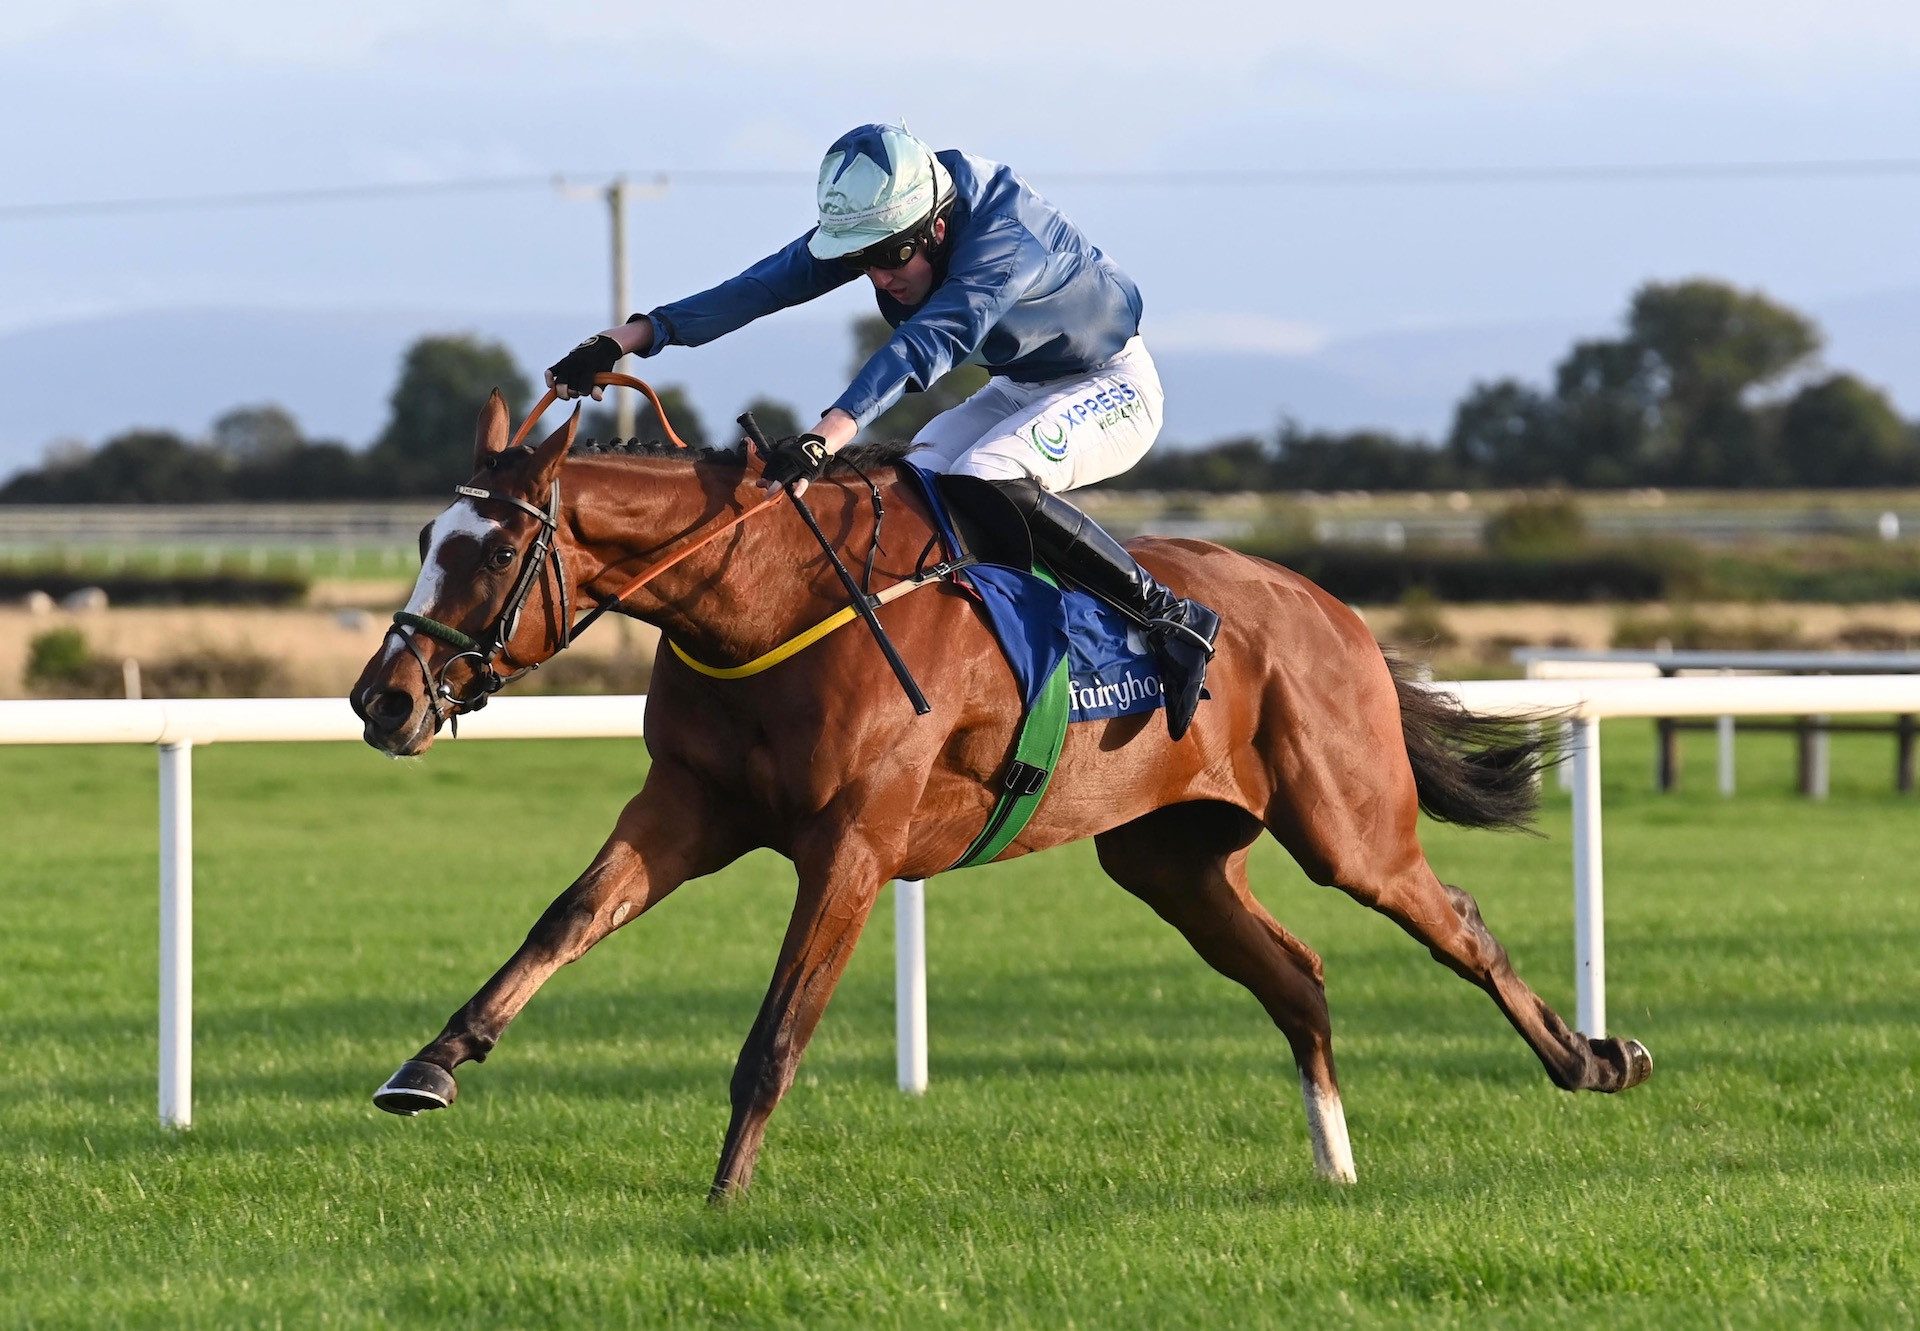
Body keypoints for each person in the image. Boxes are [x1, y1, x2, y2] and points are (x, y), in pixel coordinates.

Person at [547, 123, 1219, 739]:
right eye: (865, 259)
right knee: (918, 477)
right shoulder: (890, 218)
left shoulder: (1002, 243)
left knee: (985, 473)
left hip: (1110, 385)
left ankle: (1170, 618)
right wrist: (624, 338)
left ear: (933, 227)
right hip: (1021, 384)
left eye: (892, 256)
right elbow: (760, 286)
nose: (879, 275)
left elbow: (927, 343)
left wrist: (824, 433)